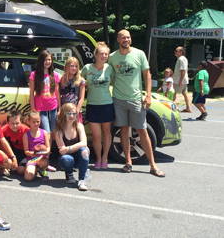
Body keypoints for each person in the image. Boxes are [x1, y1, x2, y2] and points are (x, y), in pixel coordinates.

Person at [108, 29, 165, 177]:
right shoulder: (113, 57)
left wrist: (148, 95)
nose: (126, 40)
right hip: (118, 99)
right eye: (123, 38)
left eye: (128, 37)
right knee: (124, 130)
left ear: (130, 39)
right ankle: (128, 162)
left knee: (142, 130)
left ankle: (152, 165)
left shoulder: (139, 54)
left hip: (136, 99)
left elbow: (147, 74)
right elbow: (111, 77)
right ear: (118, 40)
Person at [81, 42, 115, 169]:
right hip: (92, 105)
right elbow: (78, 80)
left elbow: (115, 81)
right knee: (96, 135)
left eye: (106, 54)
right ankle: (98, 158)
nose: (104, 56)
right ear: (95, 55)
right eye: (101, 54)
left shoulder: (110, 68)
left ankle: (105, 157)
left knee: (106, 133)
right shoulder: (87, 68)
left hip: (107, 104)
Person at [54, 103, 90, 190]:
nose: (71, 116)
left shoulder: (79, 126)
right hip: (67, 158)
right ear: (63, 114)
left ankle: (81, 180)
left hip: (78, 156)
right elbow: (62, 151)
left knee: (84, 151)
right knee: (66, 159)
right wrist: (77, 146)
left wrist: (68, 148)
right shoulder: (58, 131)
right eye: (68, 113)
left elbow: (84, 143)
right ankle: (69, 173)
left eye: (74, 113)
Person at [29, 50, 61, 136]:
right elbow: (31, 93)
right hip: (40, 108)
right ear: (41, 61)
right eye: (45, 60)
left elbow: (57, 93)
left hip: (53, 107)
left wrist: (59, 109)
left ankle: (48, 149)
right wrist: (33, 109)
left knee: (52, 131)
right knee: (46, 132)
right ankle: (48, 149)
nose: (47, 62)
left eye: (49, 60)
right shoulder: (34, 74)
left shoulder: (55, 75)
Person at [23, 111, 50, 181]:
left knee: (43, 162)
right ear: (28, 122)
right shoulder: (26, 135)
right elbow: (26, 151)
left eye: (37, 121)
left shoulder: (44, 132)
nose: (36, 124)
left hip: (42, 158)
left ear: (40, 120)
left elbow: (48, 147)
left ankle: (42, 170)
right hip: (32, 159)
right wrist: (31, 153)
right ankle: (35, 170)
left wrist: (45, 152)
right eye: (33, 122)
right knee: (28, 178)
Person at [1, 111, 30, 175]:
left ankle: (14, 167)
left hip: (23, 151)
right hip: (11, 151)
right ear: (7, 122)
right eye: (12, 123)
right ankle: (7, 165)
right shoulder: (4, 130)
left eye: (17, 123)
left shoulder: (26, 130)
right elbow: (1, 145)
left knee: (21, 171)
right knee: (3, 141)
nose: (15, 126)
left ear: (21, 122)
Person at [59, 56, 86, 123]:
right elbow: (59, 96)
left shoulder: (80, 80)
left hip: (75, 110)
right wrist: (59, 110)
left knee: (76, 130)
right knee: (65, 131)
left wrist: (76, 111)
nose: (74, 68)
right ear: (67, 67)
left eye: (76, 66)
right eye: (72, 66)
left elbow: (81, 98)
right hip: (64, 111)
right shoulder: (62, 80)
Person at [173, 46, 192, 112]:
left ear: (181, 52)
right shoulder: (182, 59)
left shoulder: (181, 59)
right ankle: (188, 107)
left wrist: (180, 80)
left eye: (176, 51)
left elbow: (183, 70)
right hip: (183, 80)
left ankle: (173, 107)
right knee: (185, 93)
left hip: (179, 80)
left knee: (173, 92)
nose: (175, 52)